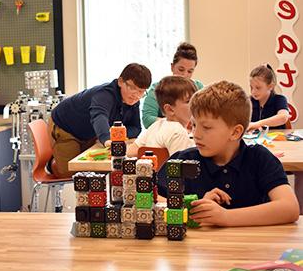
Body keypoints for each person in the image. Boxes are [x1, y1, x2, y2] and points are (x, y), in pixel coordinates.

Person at [157, 80, 299, 227]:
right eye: (194, 125)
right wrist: (194, 208)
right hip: (199, 247)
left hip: (251, 247)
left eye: (206, 127)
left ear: (235, 132)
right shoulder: (184, 159)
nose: (196, 134)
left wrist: (225, 217)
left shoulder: (259, 158)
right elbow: (150, 198)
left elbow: (290, 208)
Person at [49, 63, 152, 178]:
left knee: (94, 170)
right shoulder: (105, 94)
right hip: (66, 126)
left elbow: (136, 128)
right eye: (132, 88)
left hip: (89, 132)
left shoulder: (132, 100)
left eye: (141, 91)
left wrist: (116, 135)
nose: (136, 95)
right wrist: (107, 139)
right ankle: (52, 163)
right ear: (120, 82)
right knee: (71, 174)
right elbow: (99, 115)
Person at [127, 76, 196, 157]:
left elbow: (130, 152)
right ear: (170, 109)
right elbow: (180, 166)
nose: (194, 104)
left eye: (195, 99)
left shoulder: (156, 125)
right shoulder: (178, 132)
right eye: (188, 101)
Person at [142, 42, 203, 129]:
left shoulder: (199, 88)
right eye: (181, 69)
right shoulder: (158, 88)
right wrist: (179, 123)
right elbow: (147, 119)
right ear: (172, 67)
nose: (185, 75)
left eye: (190, 71)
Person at [248, 64, 290, 131]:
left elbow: (283, 117)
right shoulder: (248, 101)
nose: (253, 92)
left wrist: (258, 124)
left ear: (270, 86)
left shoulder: (279, 99)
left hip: (277, 140)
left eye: (258, 88)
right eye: (251, 87)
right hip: (255, 140)